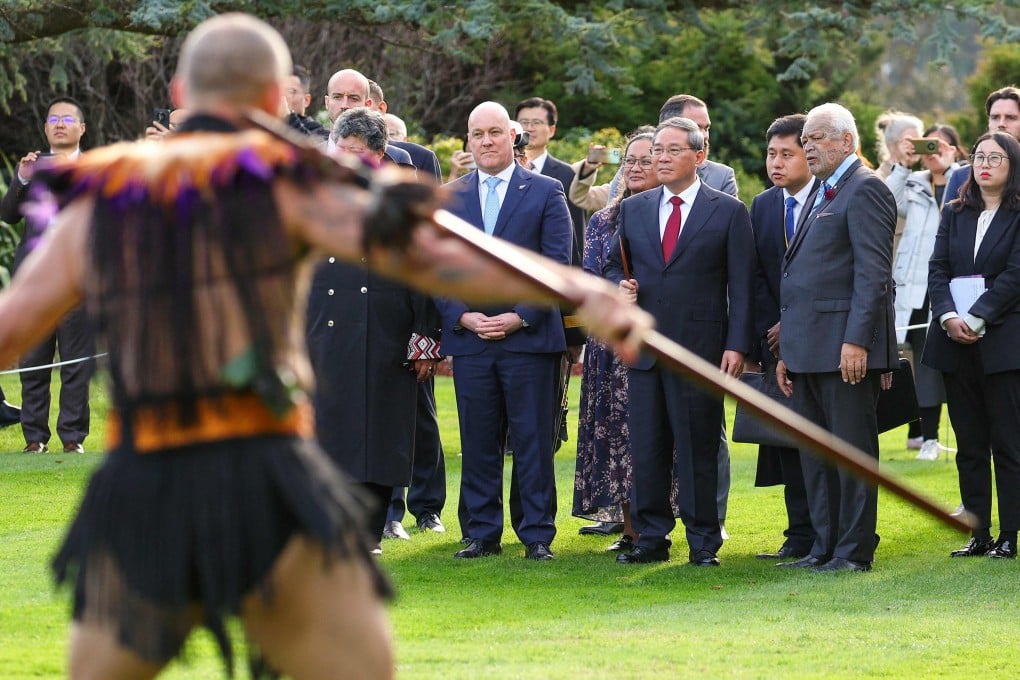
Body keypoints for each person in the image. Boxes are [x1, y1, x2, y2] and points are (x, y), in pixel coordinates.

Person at [5, 15, 653, 678]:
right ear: (270, 99)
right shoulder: (290, 182)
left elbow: (9, 329)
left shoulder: (100, 196)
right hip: (266, 472)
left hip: (152, 473)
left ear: (181, 92)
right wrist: (581, 290)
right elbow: (434, 256)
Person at [605, 116, 754, 566]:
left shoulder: (727, 211)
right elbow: (614, 265)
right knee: (647, 446)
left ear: (699, 156)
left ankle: (703, 541)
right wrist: (619, 287)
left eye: (672, 151)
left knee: (697, 449)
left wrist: (737, 345)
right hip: (645, 348)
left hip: (701, 350)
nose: (661, 159)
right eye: (657, 152)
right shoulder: (634, 208)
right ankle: (651, 538)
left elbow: (743, 286)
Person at [438, 101, 573, 561]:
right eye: (478, 134)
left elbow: (557, 265)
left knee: (533, 440)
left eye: (495, 132)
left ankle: (536, 534)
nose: (487, 142)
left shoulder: (546, 191)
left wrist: (520, 315)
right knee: (477, 441)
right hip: (472, 339)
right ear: (468, 141)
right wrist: (462, 315)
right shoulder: (449, 196)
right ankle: (481, 533)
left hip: (529, 338)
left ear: (513, 137)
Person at [307, 106, 440, 548]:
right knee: (327, 430)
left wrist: (425, 337)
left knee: (381, 434)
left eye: (358, 152)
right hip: (321, 331)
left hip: (386, 330)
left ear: (380, 155)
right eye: (341, 149)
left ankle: (370, 531)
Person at [776, 102, 898, 573]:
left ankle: (852, 551)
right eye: (805, 137)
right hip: (808, 348)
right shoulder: (823, 190)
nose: (808, 145)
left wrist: (858, 342)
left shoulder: (865, 188)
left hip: (844, 350)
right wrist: (790, 348)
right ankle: (823, 548)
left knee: (850, 454)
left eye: (817, 137)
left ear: (847, 141)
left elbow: (873, 276)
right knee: (816, 457)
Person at [922, 131, 1020, 560]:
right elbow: (938, 267)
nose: (985, 165)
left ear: (1013, 166)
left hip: (1002, 342)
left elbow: (1016, 276)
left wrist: (978, 317)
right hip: (954, 343)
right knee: (970, 444)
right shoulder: (956, 211)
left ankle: (1009, 536)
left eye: (996, 158)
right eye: (980, 156)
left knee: (1008, 444)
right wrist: (947, 316)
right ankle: (979, 533)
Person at [573, 131, 668, 553]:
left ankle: (656, 526)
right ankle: (630, 528)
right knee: (617, 437)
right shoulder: (604, 220)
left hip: (660, 340)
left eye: (645, 161)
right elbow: (591, 277)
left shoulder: (671, 215)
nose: (634, 168)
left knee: (654, 436)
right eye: (629, 161)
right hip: (611, 349)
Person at [0, 96, 95, 454]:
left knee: (75, 364)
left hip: (77, 281)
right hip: (35, 284)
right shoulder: (32, 168)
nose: (59, 124)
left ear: (81, 128)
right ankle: (34, 438)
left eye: (67, 119)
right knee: (33, 363)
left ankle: (73, 438)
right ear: (45, 128)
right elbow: (8, 216)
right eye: (53, 118)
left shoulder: (97, 168)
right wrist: (22, 179)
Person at [747, 114, 819, 561]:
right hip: (775, 345)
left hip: (819, 339)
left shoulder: (829, 200)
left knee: (821, 441)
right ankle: (798, 535)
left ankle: (829, 534)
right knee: (786, 442)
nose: (777, 162)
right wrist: (769, 335)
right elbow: (755, 277)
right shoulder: (764, 205)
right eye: (771, 154)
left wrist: (793, 324)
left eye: (787, 154)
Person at [886, 123, 966, 459]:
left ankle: (958, 437)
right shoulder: (915, 184)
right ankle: (927, 437)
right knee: (921, 364)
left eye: (941, 146)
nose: (933, 153)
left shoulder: (965, 181)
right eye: (928, 146)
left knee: (953, 366)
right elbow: (887, 202)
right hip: (915, 286)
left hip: (951, 287)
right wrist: (903, 164)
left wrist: (951, 168)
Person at [515, 97, 587, 265]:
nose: (529, 128)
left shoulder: (567, 175)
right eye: (523, 122)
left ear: (552, 130)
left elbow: (576, 236)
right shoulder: (502, 172)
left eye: (537, 122)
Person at [944, 86, 1020, 205]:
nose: (1001, 124)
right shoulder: (962, 176)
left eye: (1010, 118)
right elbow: (948, 221)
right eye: (995, 117)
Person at [284, 64, 330, 140]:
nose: (284, 97)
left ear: (306, 100)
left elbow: (311, 148)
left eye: (290, 91)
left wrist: (289, 118)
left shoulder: (320, 133)